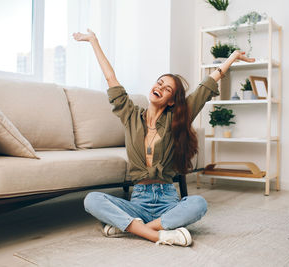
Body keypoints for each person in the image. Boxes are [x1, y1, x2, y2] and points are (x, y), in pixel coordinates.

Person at [73, 29, 255, 247]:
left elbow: (205, 88)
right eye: (159, 83)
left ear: (171, 101)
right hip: (138, 200)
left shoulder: (176, 118)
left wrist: (232, 58)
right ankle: (160, 233)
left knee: (198, 203)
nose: (159, 87)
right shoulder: (130, 115)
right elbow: (111, 78)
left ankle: (134, 228)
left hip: (167, 200)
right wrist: (94, 41)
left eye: (167, 88)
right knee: (92, 200)